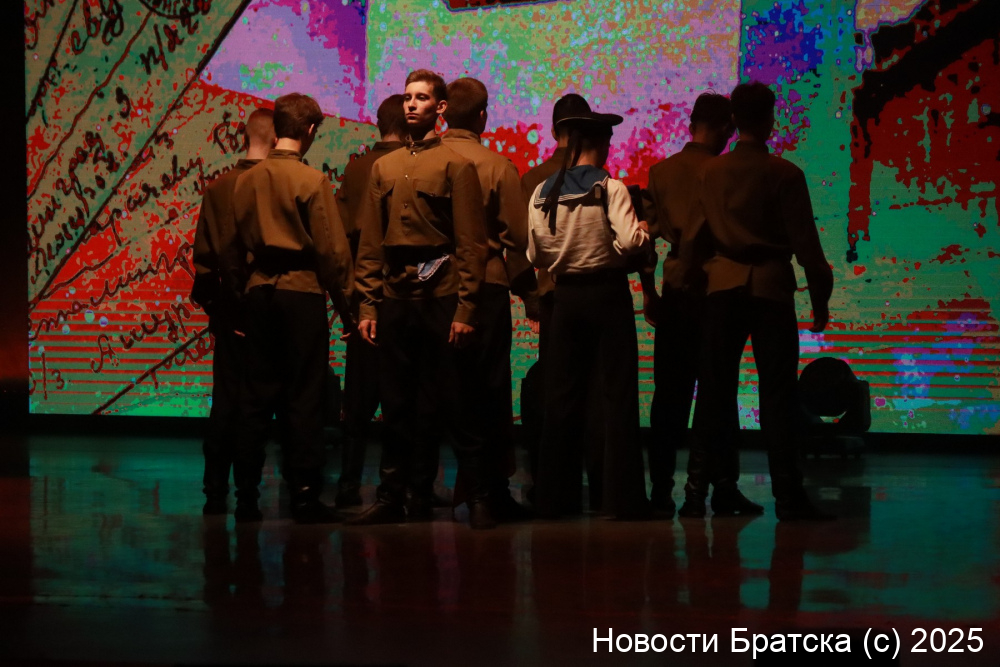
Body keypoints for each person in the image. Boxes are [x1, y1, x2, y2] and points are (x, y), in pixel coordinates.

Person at [352, 69, 495, 529]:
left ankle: (480, 496)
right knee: (396, 403)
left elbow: (471, 243)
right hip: (397, 296)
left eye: (421, 98)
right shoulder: (384, 167)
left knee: (456, 399)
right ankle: (393, 496)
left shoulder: (456, 165)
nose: (412, 104)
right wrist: (368, 304)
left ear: (441, 108)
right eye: (407, 97)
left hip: (442, 294)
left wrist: (466, 309)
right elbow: (371, 243)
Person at [688, 81, 834, 521]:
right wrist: (820, 302)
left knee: (714, 393)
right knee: (777, 396)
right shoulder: (785, 174)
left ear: (733, 119)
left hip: (722, 290)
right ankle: (788, 497)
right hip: (771, 290)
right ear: (771, 120)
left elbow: (695, 240)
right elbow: (808, 248)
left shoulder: (710, 172)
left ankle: (696, 494)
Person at [232, 93, 355, 523]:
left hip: (258, 292)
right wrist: (347, 308)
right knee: (304, 395)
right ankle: (304, 495)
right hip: (301, 293)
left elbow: (235, 248)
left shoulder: (245, 181)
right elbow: (332, 254)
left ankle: (246, 496)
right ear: (310, 130)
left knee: (254, 396)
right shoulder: (312, 181)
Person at [526, 107, 652, 520]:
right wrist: (642, 232)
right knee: (616, 395)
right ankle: (621, 501)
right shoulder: (610, 187)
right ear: (602, 143)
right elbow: (630, 244)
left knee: (561, 397)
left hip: (565, 300)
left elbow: (536, 255)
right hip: (607, 295)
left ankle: (554, 500)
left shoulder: (542, 191)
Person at [642, 92, 763, 518]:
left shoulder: (661, 171)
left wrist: (649, 292)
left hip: (675, 289)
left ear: (691, 123)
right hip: (717, 288)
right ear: (728, 128)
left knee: (668, 397)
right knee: (718, 393)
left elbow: (644, 241)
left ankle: (660, 491)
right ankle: (720, 487)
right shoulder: (724, 170)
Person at [441, 77, 537, 521]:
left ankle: (426, 491)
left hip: (434, 289)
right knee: (490, 389)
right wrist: (530, 294)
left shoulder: (421, 160)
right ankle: (489, 494)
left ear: (442, 111)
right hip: (487, 286)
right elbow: (517, 238)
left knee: (445, 391)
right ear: (483, 116)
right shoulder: (498, 167)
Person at [191, 107, 275, 515]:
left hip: (228, 309)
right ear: (276, 138)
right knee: (257, 405)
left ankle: (214, 490)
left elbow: (205, 262)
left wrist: (222, 310)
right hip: (268, 308)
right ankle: (248, 495)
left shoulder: (219, 187)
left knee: (224, 400)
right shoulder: (277, 184)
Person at [519, 93, 597, 507]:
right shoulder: (597, 175)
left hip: (551, 295)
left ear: (553, 131)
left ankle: (552, 482)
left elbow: (520, 245)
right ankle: (594, 482)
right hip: (593, 291)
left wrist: (530, 296)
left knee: (555, 388)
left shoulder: (534, 177)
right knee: (590, 386)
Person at [332, 94, 408, 509]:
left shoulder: (357, 168)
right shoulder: (411, 164)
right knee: (406, 396)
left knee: (359, 400)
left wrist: (349, 302)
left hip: (363, 294)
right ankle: (401, 485)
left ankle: (348, 483)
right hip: (403, 294)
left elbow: (342, 239)